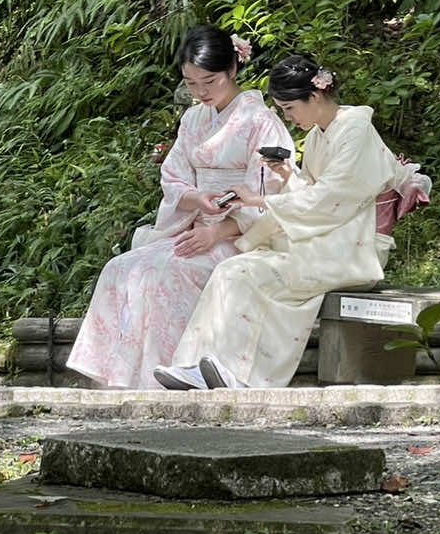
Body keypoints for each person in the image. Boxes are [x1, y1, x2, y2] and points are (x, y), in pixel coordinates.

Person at [153, 53, 427, 391]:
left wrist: (259, 200)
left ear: (314, 96)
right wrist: (288, 176)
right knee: (232, 270)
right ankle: (196, 365)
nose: (289, 117)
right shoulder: (316, 136)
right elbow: (316, 195)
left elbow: (331, 199)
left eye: (289, 108)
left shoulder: (356, 130)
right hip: (325, 238)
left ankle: (240, 375)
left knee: (248, 273)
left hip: (352, 247)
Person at [66, 25, 286, 389]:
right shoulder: (192, 120)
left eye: (209, 82)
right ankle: (115, 381)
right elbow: (174, 176)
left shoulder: (261, 122)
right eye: (191, 83)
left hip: (242, 236)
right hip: (196, 225)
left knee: (166, 273)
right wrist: (196, 199)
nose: (200, 92)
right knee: (121, 268)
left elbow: (269, 191)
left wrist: (218, 231)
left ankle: (163, 378)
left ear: (232, 69)